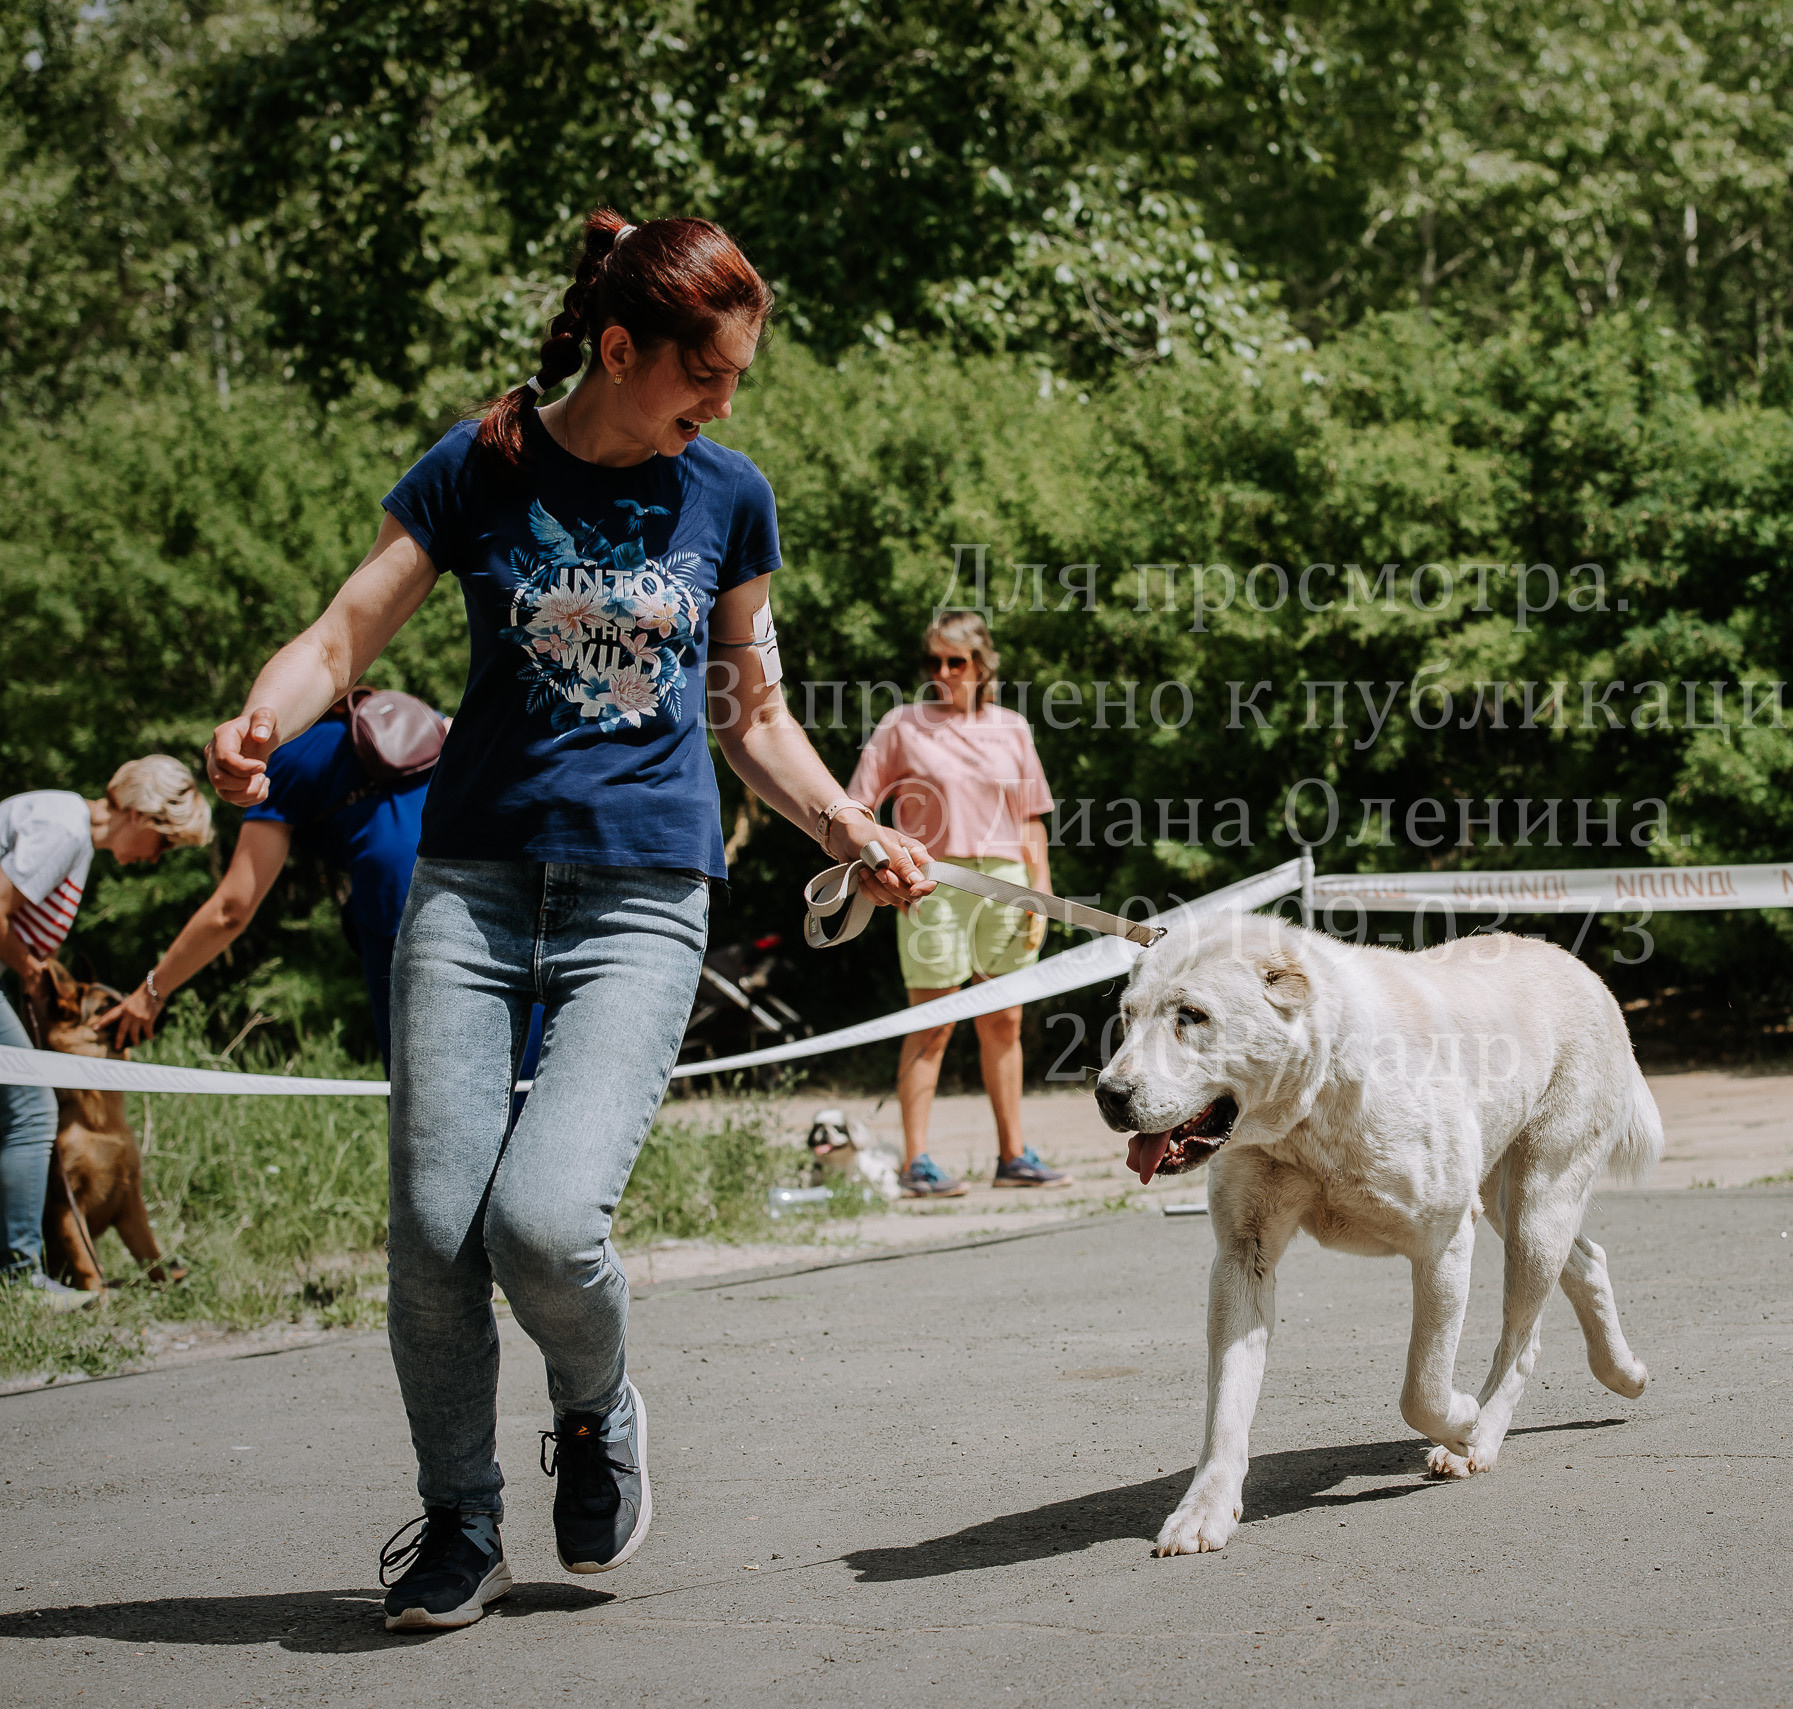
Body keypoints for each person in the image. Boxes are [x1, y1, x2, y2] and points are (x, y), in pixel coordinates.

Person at [201, 209, 932, 1633]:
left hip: (643, 899)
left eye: (734, 381)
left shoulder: (728, 496)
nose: (724, 405)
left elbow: (754, 714)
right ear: (618, 347)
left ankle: (597, 1409)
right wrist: (261, 718)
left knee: (541, 1222)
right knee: (429, 1229)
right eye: (704, 376)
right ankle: (462, 1522)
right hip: (469, 892)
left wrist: (848, 825)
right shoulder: (479, 467)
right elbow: (349, 630)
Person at [848, 611, 1071, 1197]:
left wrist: (1039, 893)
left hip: (1007, 882)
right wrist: (883, 871)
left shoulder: (1012, 728)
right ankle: (916, 1163)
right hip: (933, 881)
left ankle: (1013, 1157)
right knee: (933, 1023)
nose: (943, 672)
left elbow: (1031, 821)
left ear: (982, 665)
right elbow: (856, 809)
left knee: (1004, 1021)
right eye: (934, 661)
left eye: (956, 661)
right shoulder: (903, 726)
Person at [101, 707, 437, 1062]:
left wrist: (151, 992)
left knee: (417, 1074)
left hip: (400, 888)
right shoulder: (340, 734)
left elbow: (231, 910)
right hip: (471, 864)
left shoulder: (282, 762)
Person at [0, 759, 213, 1308]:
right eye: (162, 845)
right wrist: (30, 971)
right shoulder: (64, 827)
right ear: (142, 815)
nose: (153, 861)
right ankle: (23, 1282)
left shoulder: (68, 827)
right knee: (31, 1109)